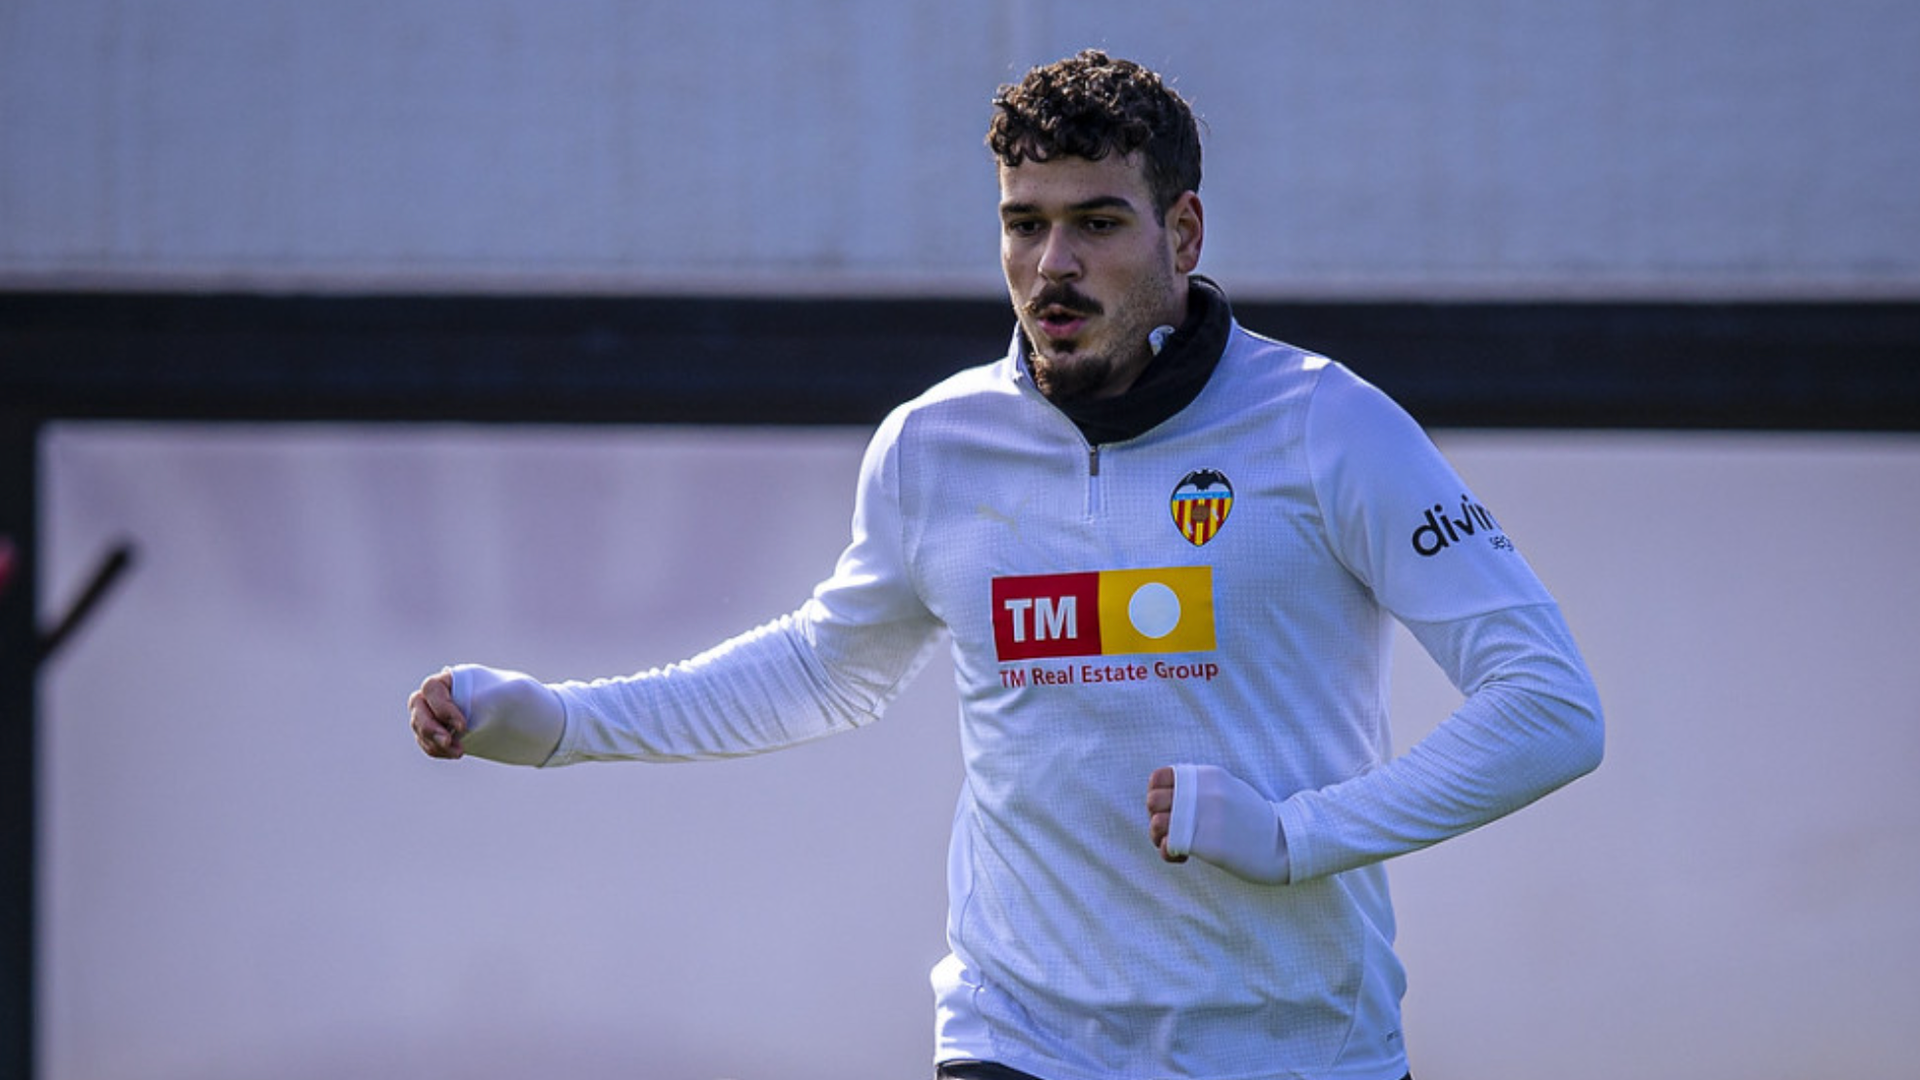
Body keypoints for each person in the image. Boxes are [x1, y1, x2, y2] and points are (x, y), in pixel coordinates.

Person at [409, 49, 1604, 1080]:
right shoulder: (936, 447)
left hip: (1295, 1044)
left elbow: (1548, 711)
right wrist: (559, 720)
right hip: (1017, 1041)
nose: (1051, 266)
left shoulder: (1327, 427)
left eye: (1096, 222)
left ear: (1181, 233)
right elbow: (826, 671)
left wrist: (1299, 836)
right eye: (1023, 224)